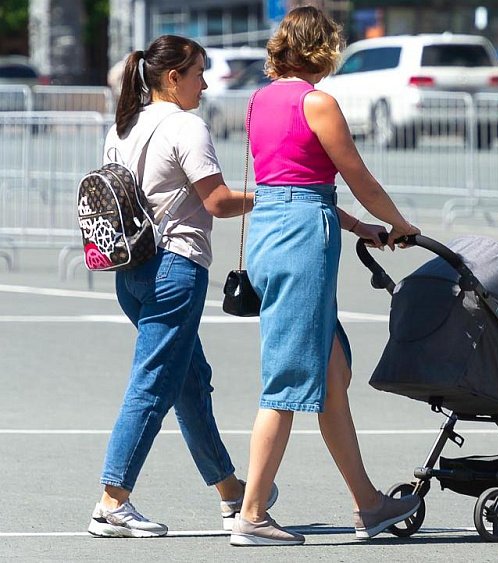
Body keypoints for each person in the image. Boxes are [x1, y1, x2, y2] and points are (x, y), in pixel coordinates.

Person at [231, 7, 422, 546]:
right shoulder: (318, 102)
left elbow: (290, 183)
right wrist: (399, 224)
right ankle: (252, 514)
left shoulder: (259, 101)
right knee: (288, 379)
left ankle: (369, 504)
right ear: (323, 49)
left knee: (331, 375)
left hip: (270, 229)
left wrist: (359, 225)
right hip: (301, 239)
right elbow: (356, 175)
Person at [89, 35, 268, 538]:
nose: (204, 84)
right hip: (175, 267)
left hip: (131, 270)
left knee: (189, 381)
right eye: (198, 73)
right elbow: (217, 201)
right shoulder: (186, 126)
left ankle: (231, 492)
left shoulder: (123, 125)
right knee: (153, 385)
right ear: (173, 78)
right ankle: (112, 502)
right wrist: (273, 196)